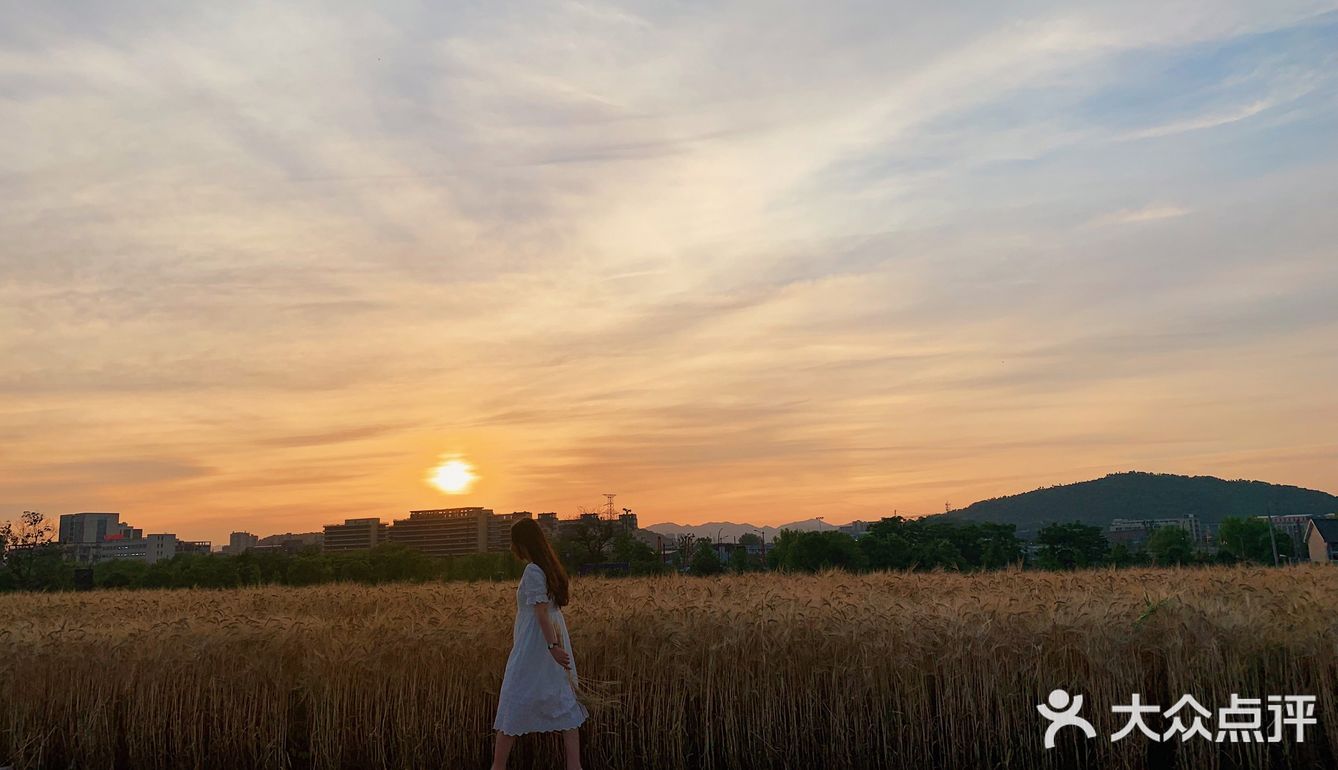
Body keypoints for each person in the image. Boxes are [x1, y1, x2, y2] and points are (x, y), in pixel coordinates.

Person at [491, 518, 589, 770]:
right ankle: (574, 765)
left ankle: (497, 767)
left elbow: (541, 612)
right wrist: (556, 645)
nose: (512, 548)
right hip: (550, 638)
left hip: (536, 644)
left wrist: (552, 647)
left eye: (514, 542)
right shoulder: (549, 567)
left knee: (515, 697)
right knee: (562, 696)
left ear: (522, 543)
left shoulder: (533, 571)